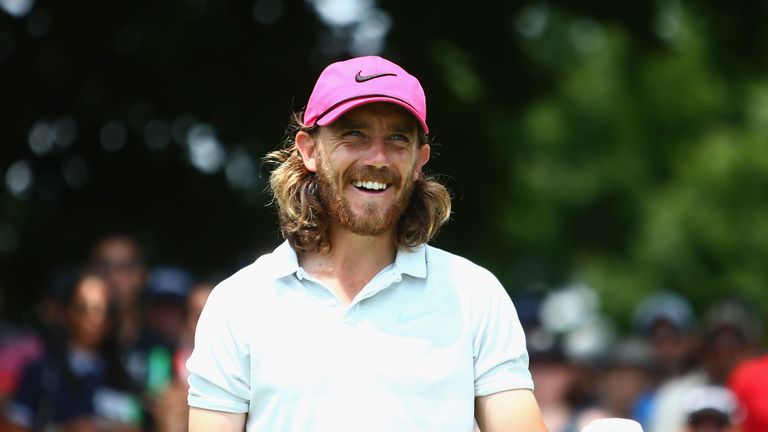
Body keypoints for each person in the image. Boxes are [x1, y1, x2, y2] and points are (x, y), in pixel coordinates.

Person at [186, 56, 547, 431]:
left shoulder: (475, 295)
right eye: (354, 134)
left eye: (397, 139)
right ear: (309, 150)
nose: (377, 158)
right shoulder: (239, 303)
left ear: (419, 160)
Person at [5, 273, 141, 431]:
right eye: (83, 308)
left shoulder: (123, 375)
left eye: (102, 310)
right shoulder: (42, 373)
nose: (93, 318)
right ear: (68, 313)